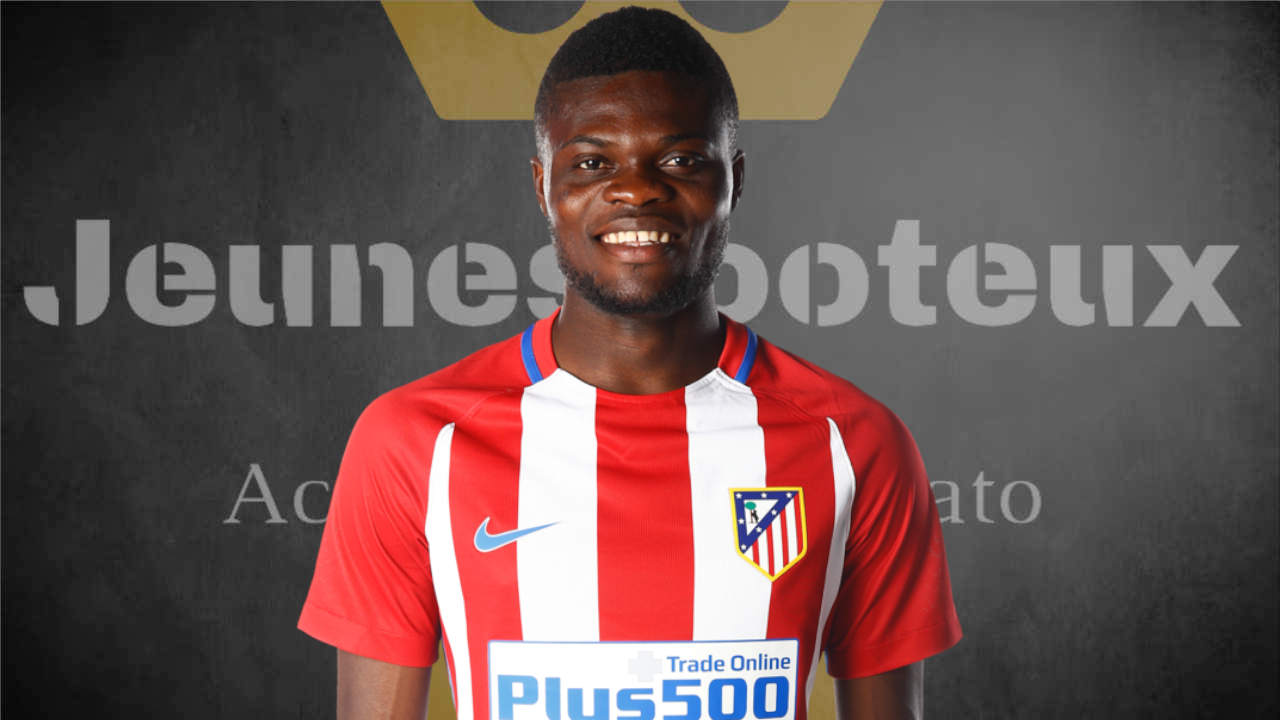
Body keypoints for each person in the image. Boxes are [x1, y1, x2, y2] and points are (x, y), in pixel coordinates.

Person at [299, 7, 961, 719]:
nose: (637, 189)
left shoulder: (854, 444)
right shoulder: (413, 442)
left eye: (680, 160)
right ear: (542, 187)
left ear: (733, 180)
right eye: (592, 162)